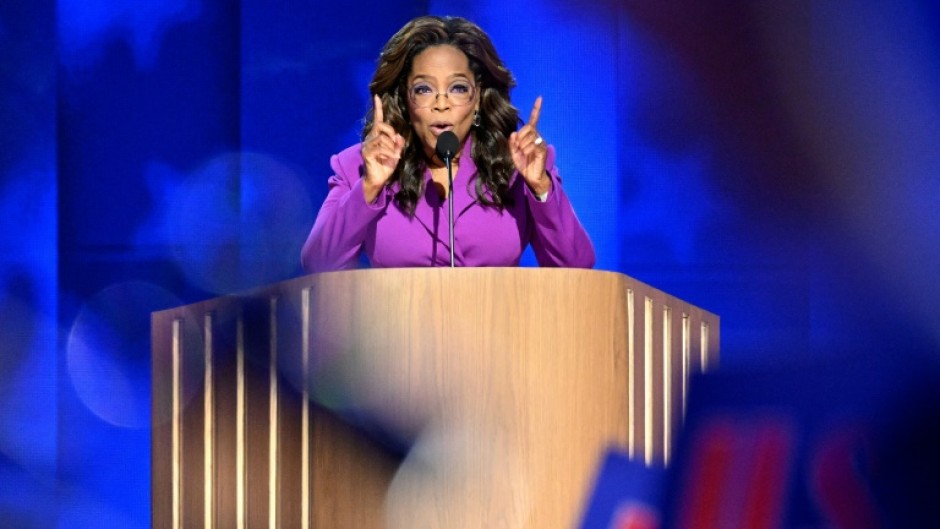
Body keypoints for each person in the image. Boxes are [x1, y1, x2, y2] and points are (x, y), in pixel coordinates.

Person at [300, 15, 595, 272]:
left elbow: (576, 266)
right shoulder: (358, 166)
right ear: (405, 100)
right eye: (424, 89)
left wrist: (540, 187)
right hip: (398, 334)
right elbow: (319, 263)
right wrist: (369, 187)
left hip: (499, 330)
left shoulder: (519, 164)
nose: (441, 104)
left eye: (457, 88)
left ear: (477, 99)